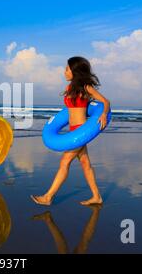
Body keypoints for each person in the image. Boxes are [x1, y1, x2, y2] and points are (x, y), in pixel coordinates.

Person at [31, 56, 110, 206]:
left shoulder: (86, 87)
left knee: (64, 162)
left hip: (81, 130)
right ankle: (97, 197)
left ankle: (48, 197)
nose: (64, 71)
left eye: (67, 69)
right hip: (74, 131)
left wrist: (104, 114)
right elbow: (69, 112)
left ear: (75, 71)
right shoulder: (69, 88)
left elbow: (105, 102)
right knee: (85, 163)